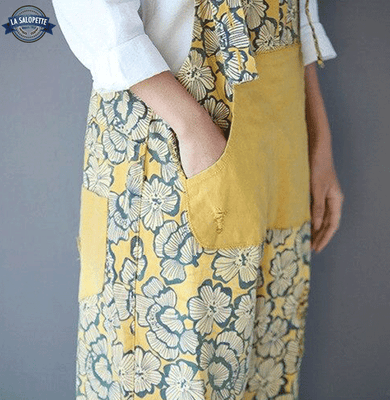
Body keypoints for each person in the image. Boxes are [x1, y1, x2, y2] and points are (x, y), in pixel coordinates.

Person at [52, 0, 344, 398]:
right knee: (172, 367)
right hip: (174, 132)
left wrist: (319, 140)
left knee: (266, 358)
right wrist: (191, 126)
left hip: (283, 134)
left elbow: (300, 14)